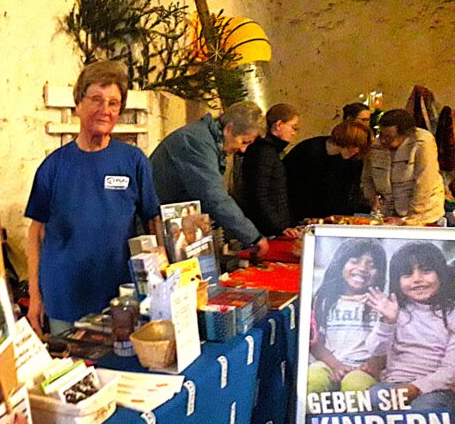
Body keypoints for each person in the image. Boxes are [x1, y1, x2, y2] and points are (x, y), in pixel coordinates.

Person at [24, 61, 162, 336]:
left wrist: (161, 278)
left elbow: (153, 221)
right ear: (78, 104)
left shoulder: (134, 162)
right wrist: (35, 297)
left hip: (121, 300)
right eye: (97, 100)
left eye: (114, 103)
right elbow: (35, 233)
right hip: (64, 301)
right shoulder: (52, 167)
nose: (106, 110)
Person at [149, 101, 269, 256]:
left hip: (170, 225)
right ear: (229, 129)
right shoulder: (196, 142)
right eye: (244, 142)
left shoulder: (206, 140)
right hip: (156, 227)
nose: (243, 149)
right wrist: (253, 237)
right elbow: (213, 196)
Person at [364, 242, 455, 411]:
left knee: (426, 408)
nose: (417, 279)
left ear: (441, 274)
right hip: (393, 385)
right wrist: (387, 322)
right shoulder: (394, 309)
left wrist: (415, 388)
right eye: (407, 274)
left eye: (426, 271)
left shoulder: (451, 314)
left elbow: (450, 370)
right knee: (372, 399)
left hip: (435, 389)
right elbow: (375, 350)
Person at [307, 239, 386, 394]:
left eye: (372, 265)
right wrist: (336, 366)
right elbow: (316, 343)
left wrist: (373, 364)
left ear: (380, 272)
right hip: (328, 364)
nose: (362, 268)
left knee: (355, 384)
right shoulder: (324, 300)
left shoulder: (383, 303)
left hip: (364, 370)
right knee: (314, 376)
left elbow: (390, 346)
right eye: (354, 261)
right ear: (340, 265)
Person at [361, 108, 445, 225]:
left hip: (423, 216)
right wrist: (372, 198)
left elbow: (425, 182)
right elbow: (367, 178)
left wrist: (410, 218)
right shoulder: (376, 146)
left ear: (406, 134)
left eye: (389, 137)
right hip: (387, 215)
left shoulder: (422, 142)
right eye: (381, 135)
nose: (383, 140)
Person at [284, 120, 372, 222]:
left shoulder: (353, 160)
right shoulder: (308, 151)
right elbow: (290, 187)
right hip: (299, 216)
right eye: (355, 146)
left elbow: (349, 192)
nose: (357, 151)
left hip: (333, 218)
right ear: (346, 141)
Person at [240, 103, 301, 238]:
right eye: (292, 127)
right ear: (279, 124)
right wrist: (279, 227)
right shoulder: (264, 151)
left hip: (273, 227)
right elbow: (258, 193)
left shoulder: (270, 150)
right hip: (267, 231)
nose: (293, 133)